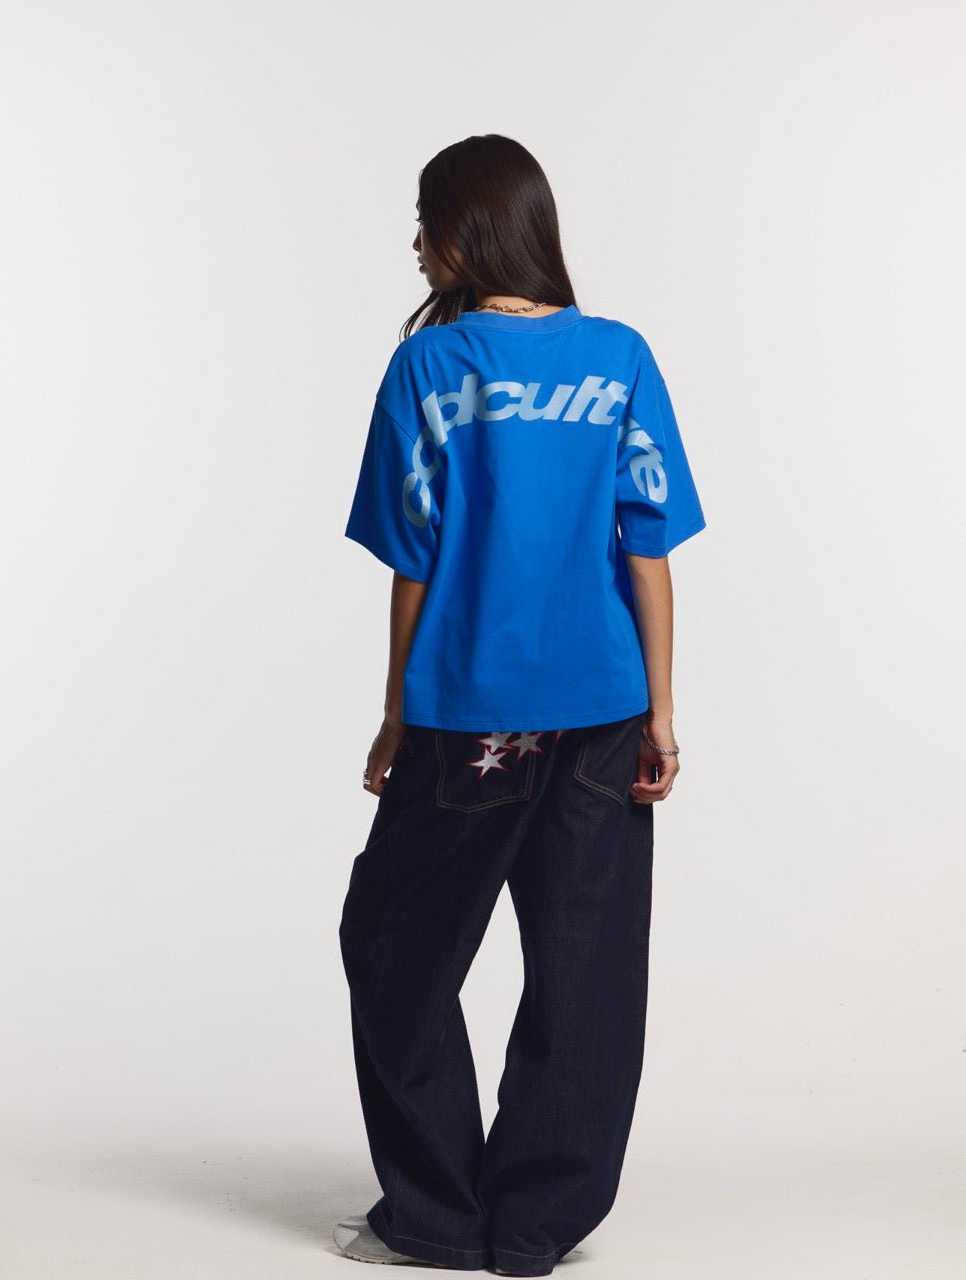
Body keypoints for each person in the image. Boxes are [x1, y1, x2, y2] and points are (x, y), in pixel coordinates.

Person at [334, 134, 706, 1277]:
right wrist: (661, 708)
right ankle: (538, 1222)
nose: (415, 242)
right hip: (604, 700)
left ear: (470, 229)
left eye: (426, 220)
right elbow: (647, 544)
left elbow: (414, 556)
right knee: (585, 960)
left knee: (394, 942)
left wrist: (396, 712)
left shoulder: (431, 365)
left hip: (469, 710)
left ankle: (439, 1212)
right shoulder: (619, 355)